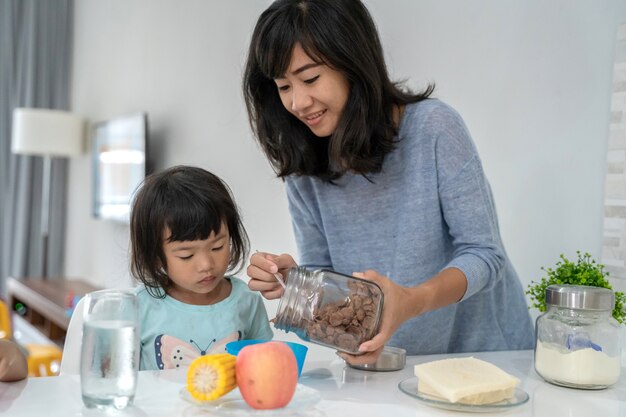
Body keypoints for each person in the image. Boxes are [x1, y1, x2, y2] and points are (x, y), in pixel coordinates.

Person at [243, 0, 534, 365]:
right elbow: (331, 285)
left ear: (353, 62)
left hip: (487, 358)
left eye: (311, 78)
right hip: (393, 368)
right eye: (284, 86)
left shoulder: (433, 129)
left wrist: (411, 301)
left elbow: (484, 256)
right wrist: (297, 287)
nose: (299, 102)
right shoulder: (305, 168)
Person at [130, 165, 273, 370]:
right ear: (155, 257)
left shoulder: (246, 300)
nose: (206, 265)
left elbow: (263, 366)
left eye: (217, 247)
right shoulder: (139, 306)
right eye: (186, 255)